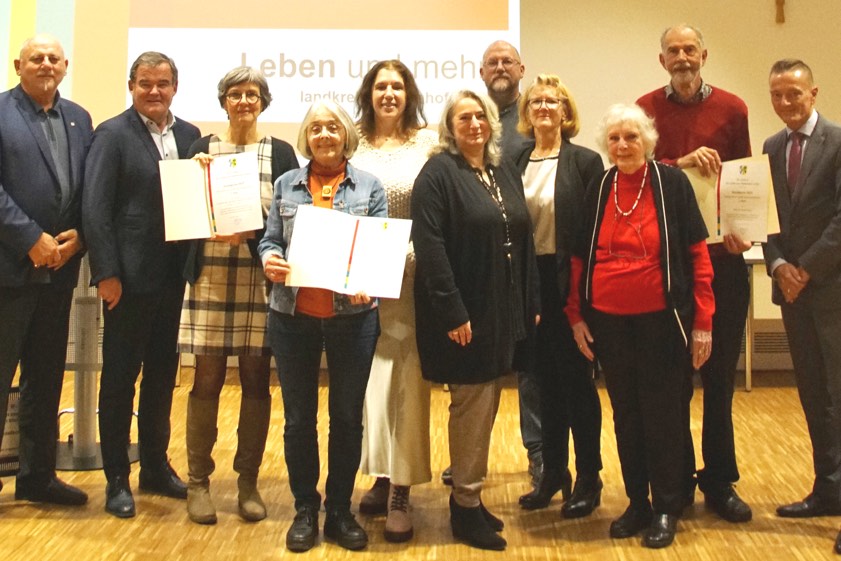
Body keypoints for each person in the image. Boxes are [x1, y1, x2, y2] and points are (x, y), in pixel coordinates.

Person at [567, 103, 713, 549]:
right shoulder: (600, 185)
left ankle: (668, 504)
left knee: (664, 414)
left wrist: (704, 321)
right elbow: (579, 258)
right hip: (609, 323)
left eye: (631, 137)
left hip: (662, 322)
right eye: (614, 138)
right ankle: (637, 502)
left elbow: (697, 254)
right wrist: (575, 315)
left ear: (647, 141)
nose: (622, 145)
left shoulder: (671, 184)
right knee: (626, 415)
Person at [412, 90, 539, 551]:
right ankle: (464, 507)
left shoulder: (502, 168)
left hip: (503, 309)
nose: (474, 124)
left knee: (485, 405)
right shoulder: (438, 174)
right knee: (471, 407)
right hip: (463, 314)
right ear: (449, 127)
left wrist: (531, 299)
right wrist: (452, 310)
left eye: (480, 116)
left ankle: (471, 495)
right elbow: (430, 247)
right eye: (463, 118)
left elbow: (520, 237)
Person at [636, 23, 753, 523]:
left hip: (724, 264)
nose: (682, 57)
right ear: (661, 60)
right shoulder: (645, 108)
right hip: (670, 269)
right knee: (673, 382)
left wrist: (744, 231)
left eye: (690, 49)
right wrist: (678, 162)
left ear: (703, 54)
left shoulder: (734, 107)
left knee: (720, 381)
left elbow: (746, 177)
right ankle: (676, 479)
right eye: (673, 51)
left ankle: (721, 481)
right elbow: (636, 171)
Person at [259, 100, 385, 553]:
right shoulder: (286, 184)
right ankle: (304, 509)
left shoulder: (369, 186)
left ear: (345, 134)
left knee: (347, 419)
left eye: (333, 127)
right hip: (292, 316)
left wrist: (365, 280)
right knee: (298, 420)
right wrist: (269, 258)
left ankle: (339, 509)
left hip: (352, 319)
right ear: (306, 137)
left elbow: (376, 244)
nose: (325, 135)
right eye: (316, 128)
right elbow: (271, 239)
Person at [83, 51, 200, 518]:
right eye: (145, 83)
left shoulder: (190, 135)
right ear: (131, 85)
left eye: (163, 83)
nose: (155, 91)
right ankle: (117, 478)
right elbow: (96, 209)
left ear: (175, 87)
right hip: (127, 283)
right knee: (118, 380)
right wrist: (106, 274)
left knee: (162, 377)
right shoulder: (112, 135)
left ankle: (155, 464)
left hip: (174, 279)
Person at [178, 66, 298, 525]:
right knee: (206, 378)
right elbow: (185, 215)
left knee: (254, 377)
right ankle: (198, 482)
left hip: (258, 278)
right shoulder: (202, 149)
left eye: (251, 94)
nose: (243, 102)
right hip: (210, 275)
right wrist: (194, 186)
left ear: (263, 101)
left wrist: (251, 233)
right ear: (223, 100)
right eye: (235, 94)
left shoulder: (281, 152)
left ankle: (247, 481)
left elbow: (293, 215)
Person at [0, 34, 92, 505]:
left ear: (65, 65)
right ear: (18, 65)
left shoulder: (78, 118)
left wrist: (79, 232)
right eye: (37, 58)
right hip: (8, 270)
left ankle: (37, 478)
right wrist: (28, 238)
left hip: (59, 269)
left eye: (54, 58)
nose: (46, 64)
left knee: (46, 374)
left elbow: (83, 188)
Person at [352, 60, 437, 542]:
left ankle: (402, 485)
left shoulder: (427, 143)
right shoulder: (353, 142)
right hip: (359, 281)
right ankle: (380, 475)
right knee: (370, 381)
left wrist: (404, 258)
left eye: (397, 86)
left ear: (409, 94)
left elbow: (435, 212)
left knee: (405, 379)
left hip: (408, 279)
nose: (389, 94)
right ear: (369, 93)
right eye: (381, 86)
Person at [512, 75, 604, 517]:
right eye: (536, 101)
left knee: (578, 387)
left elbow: (592, 233)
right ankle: (553, 474)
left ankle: (589, 477)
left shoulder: (585, 162)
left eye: (553, 101)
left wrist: (583, 302)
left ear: (566, 112)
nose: (544, 107)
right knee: (542, 384)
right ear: (526, 113)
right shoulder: (513, 160)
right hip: (528, 285)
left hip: (571, 284)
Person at [760, 60, 841, 545]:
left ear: (813, 91)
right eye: (777, 95)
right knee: (813, 396)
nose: (786, 103)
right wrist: (777, 266)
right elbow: (766, 219)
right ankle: (829, 489)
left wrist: (805, 268)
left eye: (793, 94)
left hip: (832, 290)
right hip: (791, 292)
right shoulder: (771, 147)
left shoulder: (839, 141)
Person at [479, 38, 541, 486]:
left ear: (521, 70)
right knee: (480, 369)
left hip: (531, 259)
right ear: (481, 73)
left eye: (507, 61)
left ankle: (538, 455)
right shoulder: (472, 121)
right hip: (484, 262)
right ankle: (470, 455)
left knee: (532, 368)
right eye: (491, 63)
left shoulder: (536, 119)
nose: (500, 68)